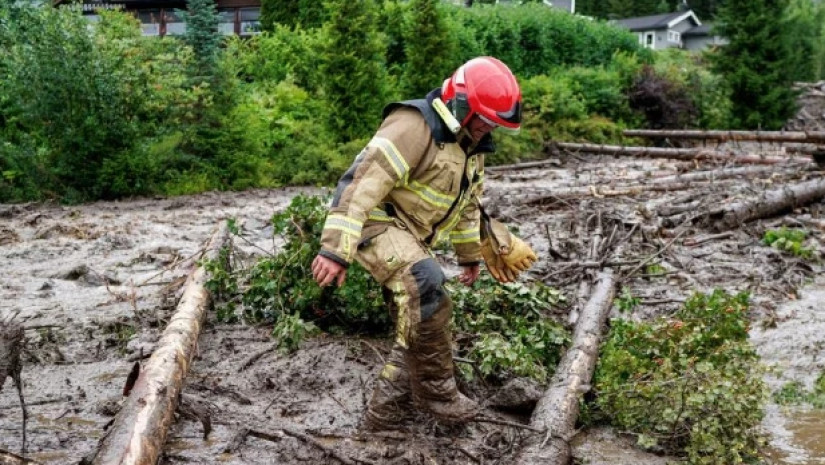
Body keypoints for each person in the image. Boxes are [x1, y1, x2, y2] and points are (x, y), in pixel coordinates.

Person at [311, 57, 537, 430]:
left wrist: (469, 256)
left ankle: (384, 416)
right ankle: (436, 394)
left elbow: (467, 204)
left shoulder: (471, 145)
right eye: (484, 120)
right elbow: (359, 184)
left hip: (410, 236)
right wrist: (335, 250)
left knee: (419, 314)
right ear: (461, 105)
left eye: (494, 124)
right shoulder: (413, 126)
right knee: (426, 282)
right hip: (375, 223)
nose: (488, 129)